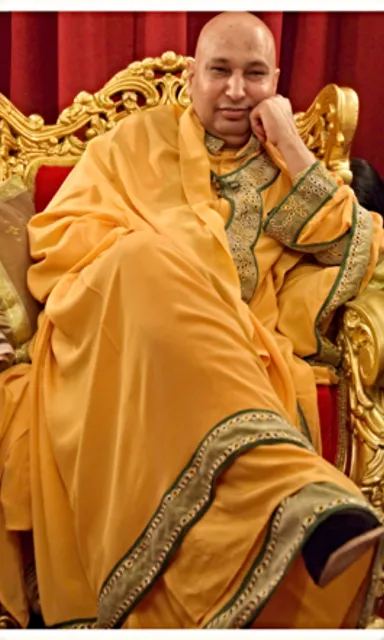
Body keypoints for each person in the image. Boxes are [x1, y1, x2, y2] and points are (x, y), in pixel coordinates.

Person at [1, 11, 384, 630]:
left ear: (276, 82)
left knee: (173, 284)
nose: (236, 90)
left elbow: (354, 243)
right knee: (144, 256)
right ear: (191, 76)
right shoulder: (133, 141)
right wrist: (165, 266)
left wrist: (290, 143)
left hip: (226, 344)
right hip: (118, 333)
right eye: (220, 72)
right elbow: (61, 238)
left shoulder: (287, 169)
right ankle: (297, 492)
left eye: (254, 74)